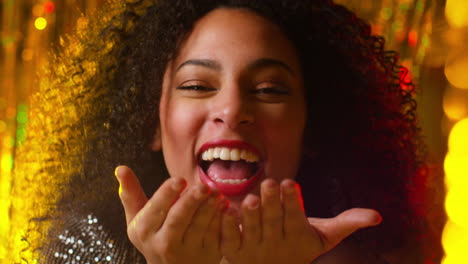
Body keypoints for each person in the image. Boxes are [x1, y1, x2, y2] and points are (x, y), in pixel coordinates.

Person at [7, 0, 429, 263]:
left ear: (312, 128)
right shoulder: (87, 249)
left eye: (268, 89)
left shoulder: (366, 256)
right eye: (196, 86)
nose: (231, 109)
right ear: (153, 124)